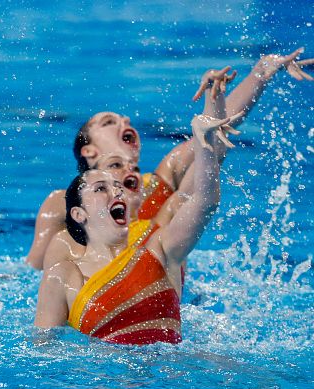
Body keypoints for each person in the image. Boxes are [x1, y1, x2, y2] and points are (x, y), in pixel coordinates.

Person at [26, 48, 313, 270]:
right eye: (108, 122)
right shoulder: (63, 203)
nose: (124, 120)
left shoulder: (160, 186)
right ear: (89, 151)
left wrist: (258, 75)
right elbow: (38, 270)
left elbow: (211, 137)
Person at [34, 92, 243, 345]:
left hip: (173, 374)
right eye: (102, 187)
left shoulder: (159, 247)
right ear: (79, 214)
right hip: (98, 380)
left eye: (119, 185)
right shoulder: (63, 272)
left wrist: (207, 140)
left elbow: (204, 200)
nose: (118, 186)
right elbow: (44, 352)